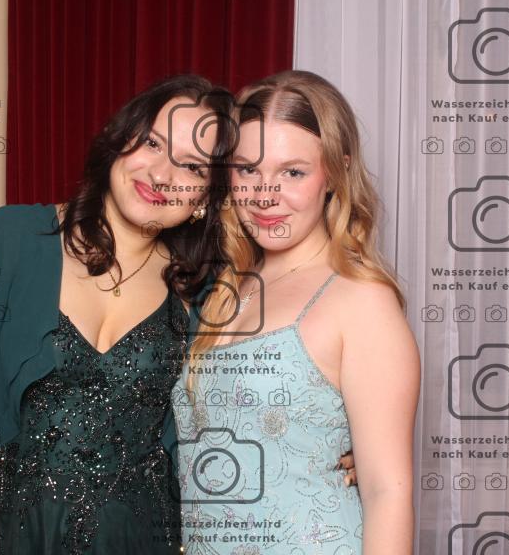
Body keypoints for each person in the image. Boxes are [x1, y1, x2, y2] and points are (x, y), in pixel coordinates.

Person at [0, 74, 235, 554]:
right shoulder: (7, 241)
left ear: (205, 198)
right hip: (10, 535)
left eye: (191, 167)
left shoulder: (203, 292)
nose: (161, 174)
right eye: (152, 142)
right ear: (121, 139)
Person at [170, 70, 421, 554]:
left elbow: (387, 492)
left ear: (335, 174)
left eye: (293, 172)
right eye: (248, 170)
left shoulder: (361, 300)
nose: (265, 195)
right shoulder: (227, 288)